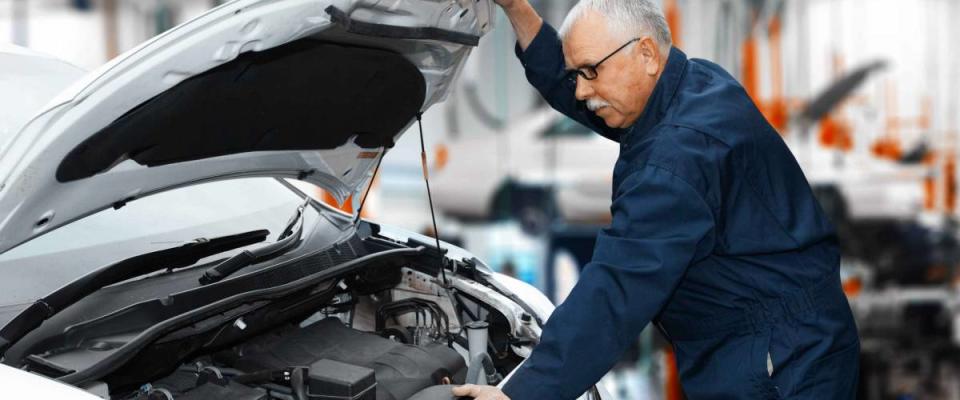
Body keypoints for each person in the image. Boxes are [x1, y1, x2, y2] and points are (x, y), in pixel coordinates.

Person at [453, 0, 860, 399]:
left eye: (591, 71)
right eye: (577, 73)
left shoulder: (675, 161)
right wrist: (517, 8)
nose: (580, 91)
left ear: (645, 53)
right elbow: (581, 91)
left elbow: (613, 296)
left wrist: (520, 394)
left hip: (777, 361)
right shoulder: (692, 83)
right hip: (788, 333)